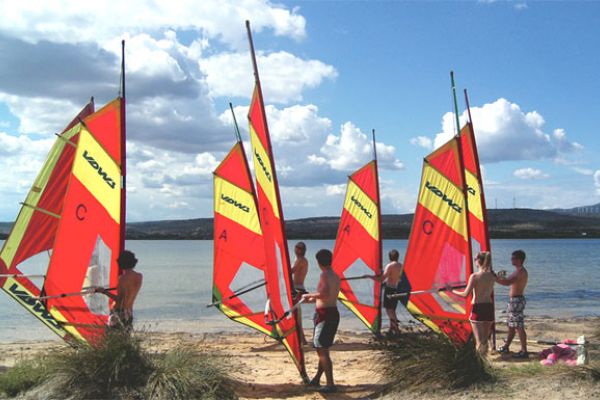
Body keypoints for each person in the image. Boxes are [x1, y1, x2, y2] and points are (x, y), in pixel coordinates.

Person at [302, 249, 340, 393]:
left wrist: (309, 294)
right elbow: (325, 297)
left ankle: (330, 384)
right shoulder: (335, 276)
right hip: (332, 313)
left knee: (321, 349)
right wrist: (308, 299)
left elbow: (324, 294)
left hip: (325, 315)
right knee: (323, 348)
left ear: (318, 262)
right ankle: (317, 378)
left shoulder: (324, 274)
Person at [449, 251, 495, 355]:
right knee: (484, 340)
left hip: (478, 308)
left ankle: (480, 363)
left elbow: (465, 294)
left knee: (479, 342)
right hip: (489, 307)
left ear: (479, 261)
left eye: (475, 259)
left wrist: (451, 290)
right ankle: (485, 359)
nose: (474, 261)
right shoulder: (492, 276)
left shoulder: (474, 276)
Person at [96, 250, 143, 331]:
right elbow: (129, 292)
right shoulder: (139, 276)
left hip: (118, 313)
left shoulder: (122, 278)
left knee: (112, 338)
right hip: (129, 312)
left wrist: (104, 292)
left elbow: (120, 300)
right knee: (125, 338)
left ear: (121, 263)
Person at [496, 249, 529, 358]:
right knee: (511, 325)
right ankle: (506, 346)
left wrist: (494, 277)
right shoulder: (519, 271)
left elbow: (507, 282)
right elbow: (508, 280)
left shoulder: (520, 271)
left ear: (519, 260)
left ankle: (524, 350)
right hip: (515, 300)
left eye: (513, 258)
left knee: (518, 326)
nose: (511, 260)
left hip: (516, 300)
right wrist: (499, 277)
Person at [368, 249, 404, 335]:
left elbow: (381, 279)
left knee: (389, 310)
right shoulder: (401, 265)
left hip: (390, 290)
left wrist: (369, 276)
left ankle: (396, 329)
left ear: (389, 257)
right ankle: (391, 329)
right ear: (398, 257)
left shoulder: (390, 265)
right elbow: (397, 278)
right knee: (393, 310)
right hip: (397, 289)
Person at [291, 241, 309, 345]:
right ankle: (300, 338)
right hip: (295, 288)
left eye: (300, 248)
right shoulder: (298, 259)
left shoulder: (301, 260)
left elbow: (291, 271)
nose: (297, 249)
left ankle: (302, 340)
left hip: (298, 289)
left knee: (296, 315)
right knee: (294, 315)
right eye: (296, 247)